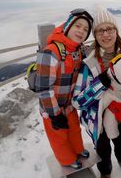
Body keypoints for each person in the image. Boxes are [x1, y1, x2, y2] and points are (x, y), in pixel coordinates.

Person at [72, 9, 121, 178]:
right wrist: (99, 84)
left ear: (116, 31)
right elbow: (77, 102)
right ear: (95, 35)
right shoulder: (89, 63)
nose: (106, 34)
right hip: (97, 118)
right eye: (100, 30)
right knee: (102, 147)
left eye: (110, 29)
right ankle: (105, 171)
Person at [35, 9, 93, 168]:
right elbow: (43, 88)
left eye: (86, 29)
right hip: (52, 109)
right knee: (59, 136)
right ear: (67, 26)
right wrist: (54, 114)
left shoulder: (77, 49)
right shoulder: (51, 52)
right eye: (78, 26)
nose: (81, 31)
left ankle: (77, 149)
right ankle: (67, 160)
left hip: (68, 105)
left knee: (74, 129)